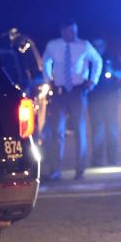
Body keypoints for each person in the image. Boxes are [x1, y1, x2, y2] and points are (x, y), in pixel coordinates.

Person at [41, 19, 103, 181]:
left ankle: (80, 168)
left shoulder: (84, 45)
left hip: (78, 90)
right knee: (57, 132)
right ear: (62, 31)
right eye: (70, 32)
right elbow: (45, 61)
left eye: (75, 31)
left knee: (79, 130)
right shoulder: (53, 45)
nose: (73, 35)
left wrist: (92, 80)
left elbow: (97, 61)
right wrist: (48, 80)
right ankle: (55, 169)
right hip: (60, 91)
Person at [88, 37, 121, 167]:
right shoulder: (89, 59)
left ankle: (112, 160)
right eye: (95, 46)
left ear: (104, 45)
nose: (97, 48)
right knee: (97, 130)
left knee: (111, 128)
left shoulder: (112, 57)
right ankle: (97, 160)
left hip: (111, 96)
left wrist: (113, 72)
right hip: (94, 98)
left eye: (100, 46)